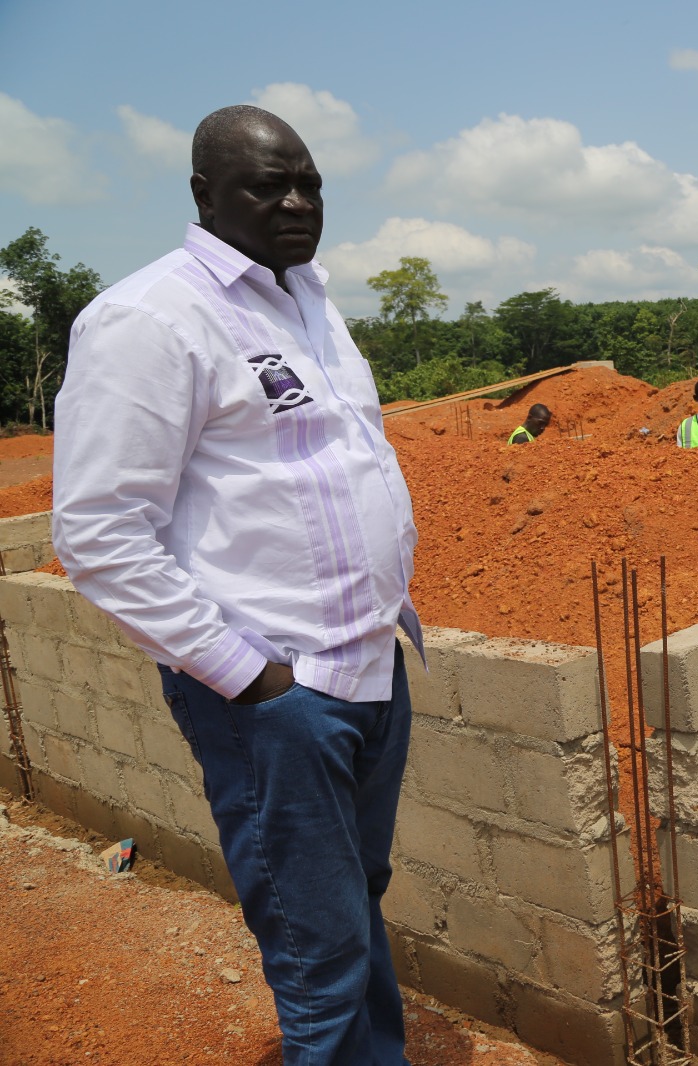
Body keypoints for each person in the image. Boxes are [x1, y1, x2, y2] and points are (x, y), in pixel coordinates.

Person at [52, 105, 421, 1065]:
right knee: (318, 948)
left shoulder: (311, 302)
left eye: (311, 183)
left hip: (370, 667)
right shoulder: (149, 318)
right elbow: (96, 533)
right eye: (269, 185)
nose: (298, 202)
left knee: (355, 897)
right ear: (204, 195)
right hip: (276, 695)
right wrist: (246, 675)